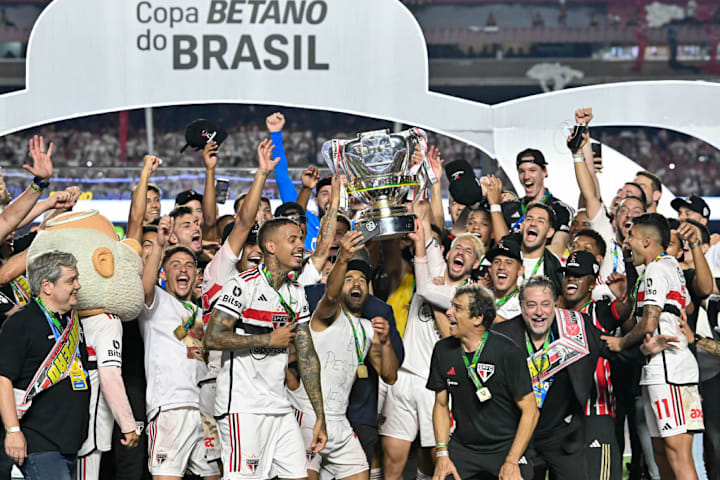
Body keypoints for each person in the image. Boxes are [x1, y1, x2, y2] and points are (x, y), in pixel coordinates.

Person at [494, 276, 676, 479]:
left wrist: (643, 350)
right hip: (519, 435)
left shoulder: (576, 327)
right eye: (531, 305)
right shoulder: (501, 337)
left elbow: (612, 352)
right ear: (521, 306)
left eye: (545, 304)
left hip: (561, 434)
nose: (539, 312)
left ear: (555, 305)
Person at [204, 217, 327, 480]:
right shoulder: (242, 285)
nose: (300, 246)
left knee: (300, 476)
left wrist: (319, 416)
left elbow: (306, 355)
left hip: (279, 407)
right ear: (270, 246)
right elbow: (212, 337)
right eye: (292, 239)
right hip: (243, 407)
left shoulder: (296, 293)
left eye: (300, 240)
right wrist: (267, 340)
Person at [287, 231, 398, 480]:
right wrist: (344, 257)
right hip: (307, 415)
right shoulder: (325, 315)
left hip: (339, 419)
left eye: (361, 279)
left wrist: (386, 342)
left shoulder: (368, 329)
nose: (356, 283)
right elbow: (331, 295)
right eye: (349, 279)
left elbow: (390, 376)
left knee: (361, 474)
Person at [381, 217, 482, 480]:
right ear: (448, 253)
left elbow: (451, 334)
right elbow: (421, 223)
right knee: (392, 457)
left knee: (431, 461)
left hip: (436, 387)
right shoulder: (433, 274)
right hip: (404, 375)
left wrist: (438, 300)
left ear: (476, 264)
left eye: (469, 252)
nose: (461, 253)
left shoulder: (470, 298)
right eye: (458, 248)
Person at [605, 213, 704, 480]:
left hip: (670, 369)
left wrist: (621, 343)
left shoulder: (658, 270)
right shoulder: (664, 267)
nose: (627, 243)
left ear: (647, 241)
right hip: (660, 369)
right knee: (661, 453)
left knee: (677, 454)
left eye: (631, 237)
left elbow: (649, 323)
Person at [428, 285, 538, 480]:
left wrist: (512, 461)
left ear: (478, 318)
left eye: (457, 308)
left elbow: (531, 411)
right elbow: (441, 404)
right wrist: (442, 453)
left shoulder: (508, 352)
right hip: (465, 447)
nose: (448, 312)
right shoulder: (442, 350)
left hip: (506, 447)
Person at [140, 216, 220, 480]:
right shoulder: (156, 302)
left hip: (204, 412)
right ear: (164, 273)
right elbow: (145, 285)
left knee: (214, 476)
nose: (183, 269)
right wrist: (160, 247)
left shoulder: (199, 314)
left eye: (189, 265)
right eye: (175, 265)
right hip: (170, 408)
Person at [0, 251, 89, 480]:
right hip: (39, 442)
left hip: (70, 442)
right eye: (70, 280)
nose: (77, 286)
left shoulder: (71, 321)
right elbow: (2, 379)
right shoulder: (21, 322)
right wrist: (13, 431)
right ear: (47, 286)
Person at [513, 148, 574, 256]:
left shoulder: (562, 210)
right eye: (522, 171)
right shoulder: (510, 207)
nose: (526, 176)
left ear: (544, 172)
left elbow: (557, 249)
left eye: (532, 170)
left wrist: (520, 257)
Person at [487, 236, 523, 322]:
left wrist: (487, 314)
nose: (501, 267)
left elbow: (521, 333)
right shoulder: (481, 297)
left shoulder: (525, 300)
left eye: (509, 262)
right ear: (490, 269)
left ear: (521, 270)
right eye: (497, 262)